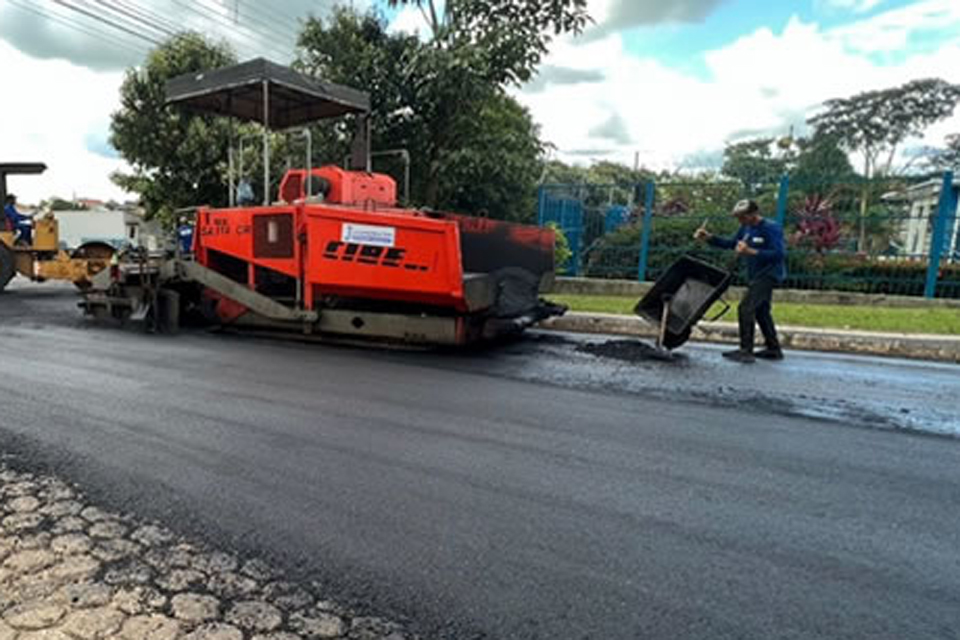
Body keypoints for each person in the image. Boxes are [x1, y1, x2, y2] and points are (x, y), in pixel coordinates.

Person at [694, 199, 786, 363]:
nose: (740, 221)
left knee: (745, 308)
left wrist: (751, 251)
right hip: (755, 275)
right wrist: (709, 238)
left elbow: (779, 254)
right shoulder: (746, 227)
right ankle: (774, 349)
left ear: (754, 214)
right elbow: (733, 244)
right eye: (738, 217)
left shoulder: (771, 228)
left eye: (743, 217)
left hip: (769, 275)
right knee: (761, 311)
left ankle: (746, 350)